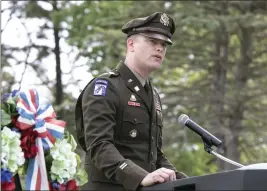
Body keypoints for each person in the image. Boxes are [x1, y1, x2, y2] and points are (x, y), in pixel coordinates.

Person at [75, 12, 188, 191]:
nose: (160, 48)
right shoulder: (106, 87)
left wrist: (182, 179)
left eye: (164, 45)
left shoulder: (153, 95)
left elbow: (154, 154)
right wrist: (141, 177)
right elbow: (99, 146)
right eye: (152, 41)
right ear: (131, 44)